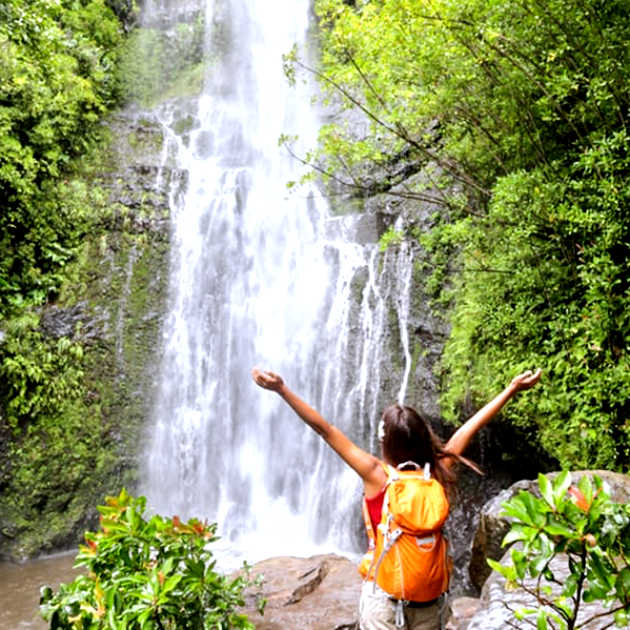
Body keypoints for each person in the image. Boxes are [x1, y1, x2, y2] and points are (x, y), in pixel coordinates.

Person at [251, 366, 542, 630]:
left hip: (385, 604)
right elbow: (468, 428)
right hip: (430, 604)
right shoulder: (438, 471)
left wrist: (281, 389)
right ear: (423, 438)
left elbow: (325, 430)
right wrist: (511, 389)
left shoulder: (377, 475)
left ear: (385, 442)